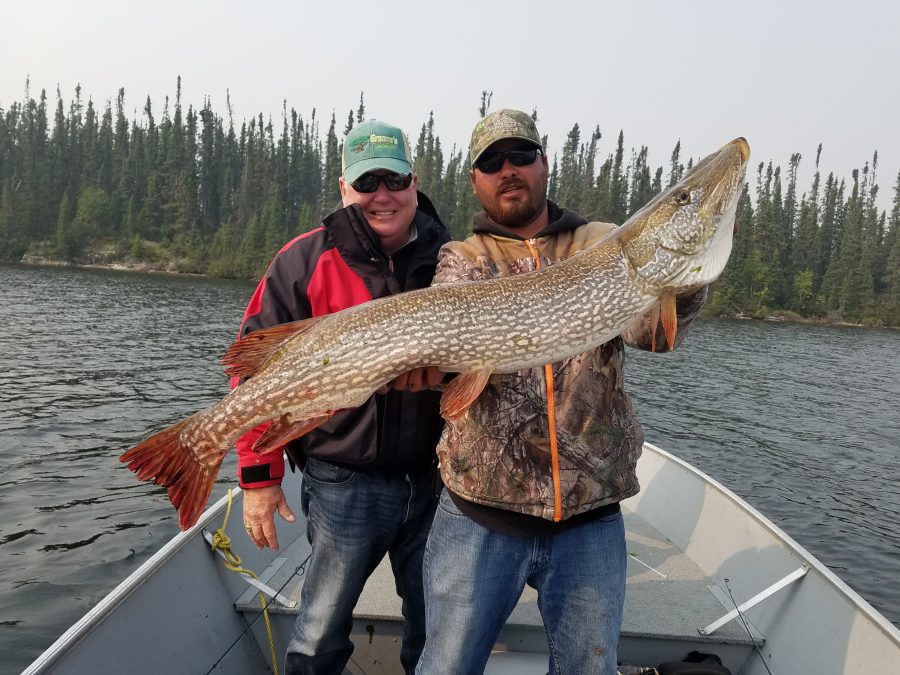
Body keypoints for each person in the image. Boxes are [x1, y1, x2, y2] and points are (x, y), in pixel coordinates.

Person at [415, 109, 708, 675]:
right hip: (481, 514)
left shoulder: (603, 244)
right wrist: (425, 367)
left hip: (588, 518)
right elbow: (445, 353)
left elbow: (653, 334)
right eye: (492, 162)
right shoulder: (464, 258)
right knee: (446, 667)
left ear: (543, 163)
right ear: (475, 180)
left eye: (520, 155)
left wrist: (690, 272)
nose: (508, 170)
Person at [234, 118, 450, 675]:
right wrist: (259, 477)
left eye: (394, 180)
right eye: (367, 182)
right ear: (344, 188)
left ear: (414, 183)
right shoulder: (303, 260)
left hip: (436, 480)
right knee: (320, 631)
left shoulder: (452, 260)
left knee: (436, 628)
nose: (382, 195)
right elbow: (252, 376)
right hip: (343, 482)